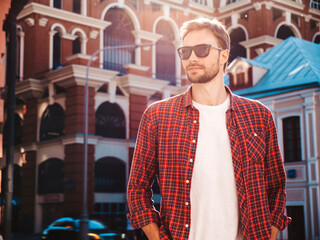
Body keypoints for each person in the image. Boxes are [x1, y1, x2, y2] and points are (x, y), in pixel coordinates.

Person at [127, 17, 291, 240]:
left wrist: (270, 233)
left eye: (202, 49)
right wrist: (157, 237)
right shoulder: (157, 116)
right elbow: (137, 187)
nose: (192, 57)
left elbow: (276, 185)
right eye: (185, 52)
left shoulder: (258, 116)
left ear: (224, 55)